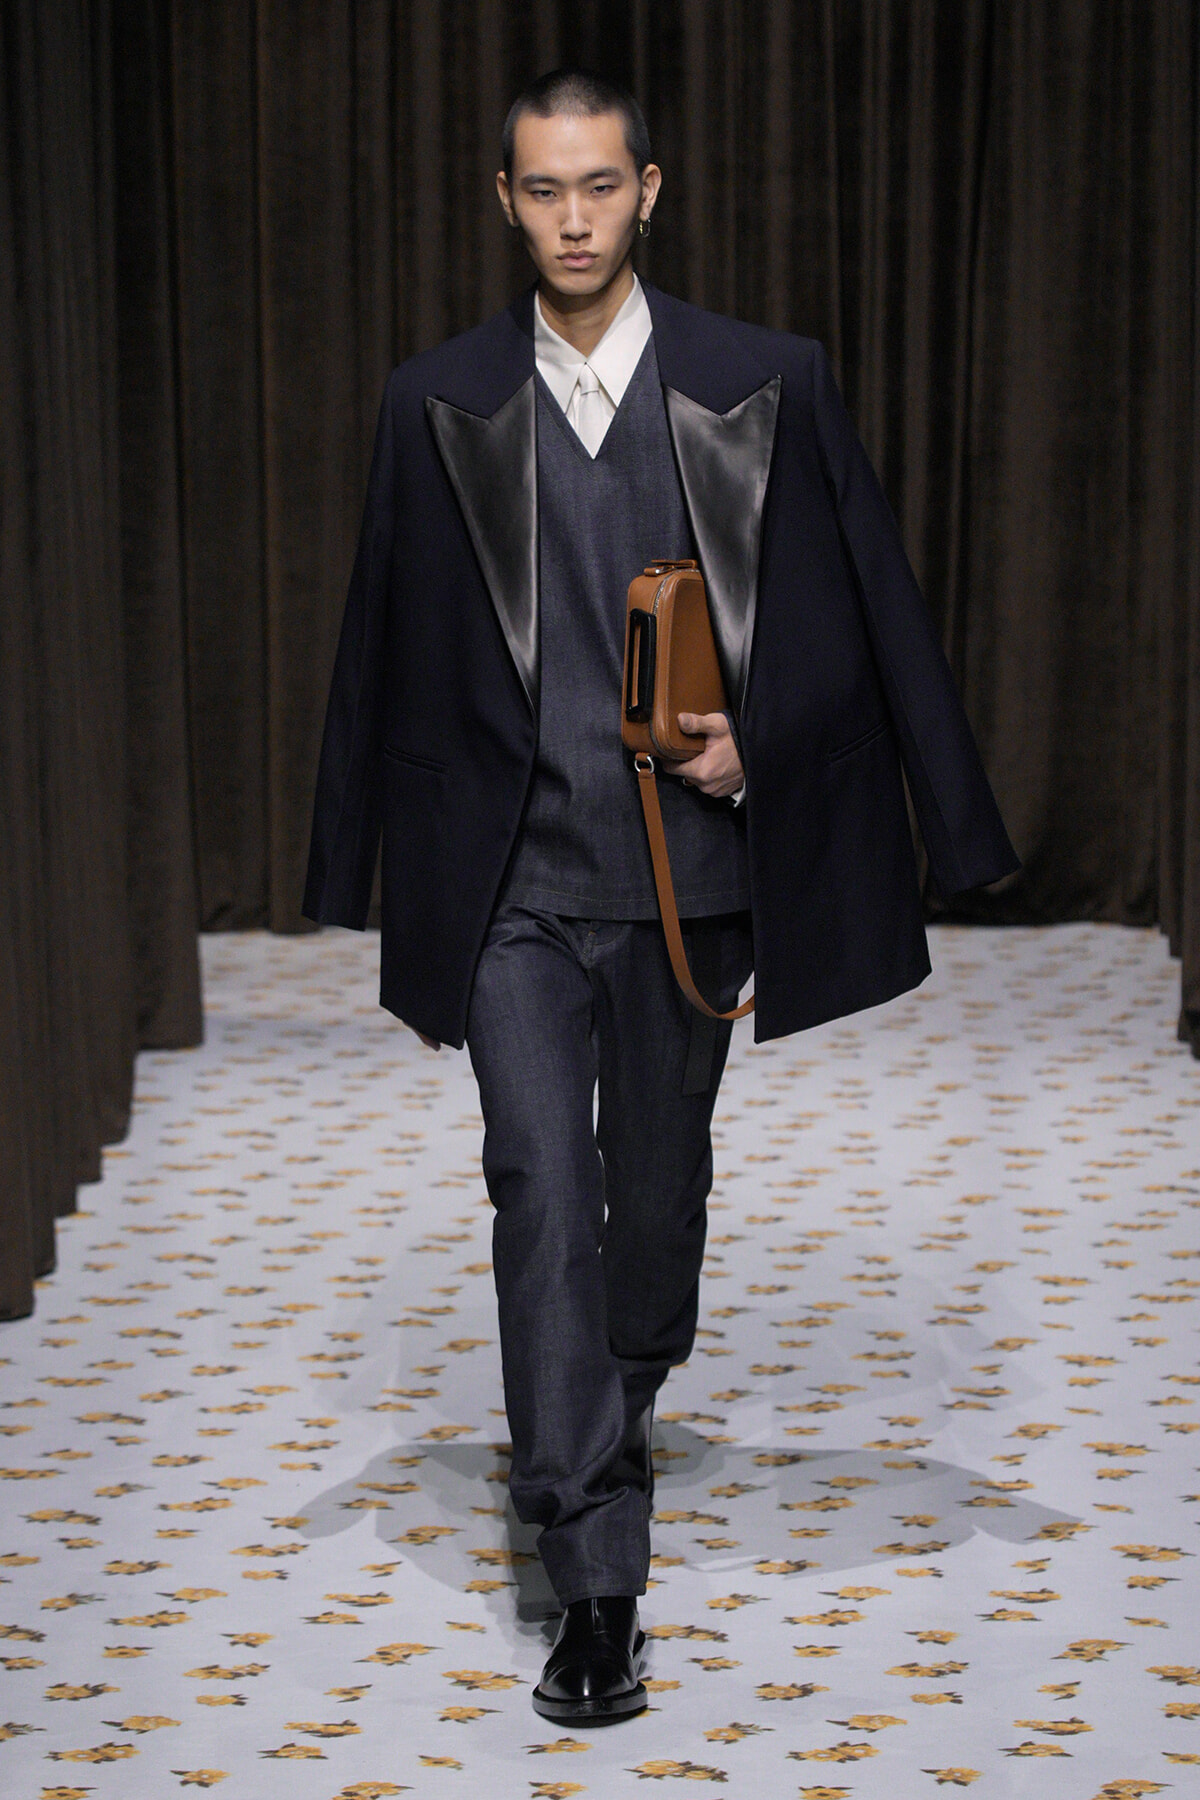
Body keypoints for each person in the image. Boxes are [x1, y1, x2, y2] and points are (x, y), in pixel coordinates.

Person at [302, 68, 1018, 1726]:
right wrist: (348, 864)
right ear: (503, 200)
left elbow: (870, 618)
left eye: (599, 186)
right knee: (543, 1190)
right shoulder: (441, 399)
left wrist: (763, 761)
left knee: (657, 1199)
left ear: (649, 191)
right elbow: (380, 639)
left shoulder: (764, 382)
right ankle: (594, 1579)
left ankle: (612, 1397)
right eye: (542, 189)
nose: (572, 216)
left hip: (694, 893)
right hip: (511, 894)